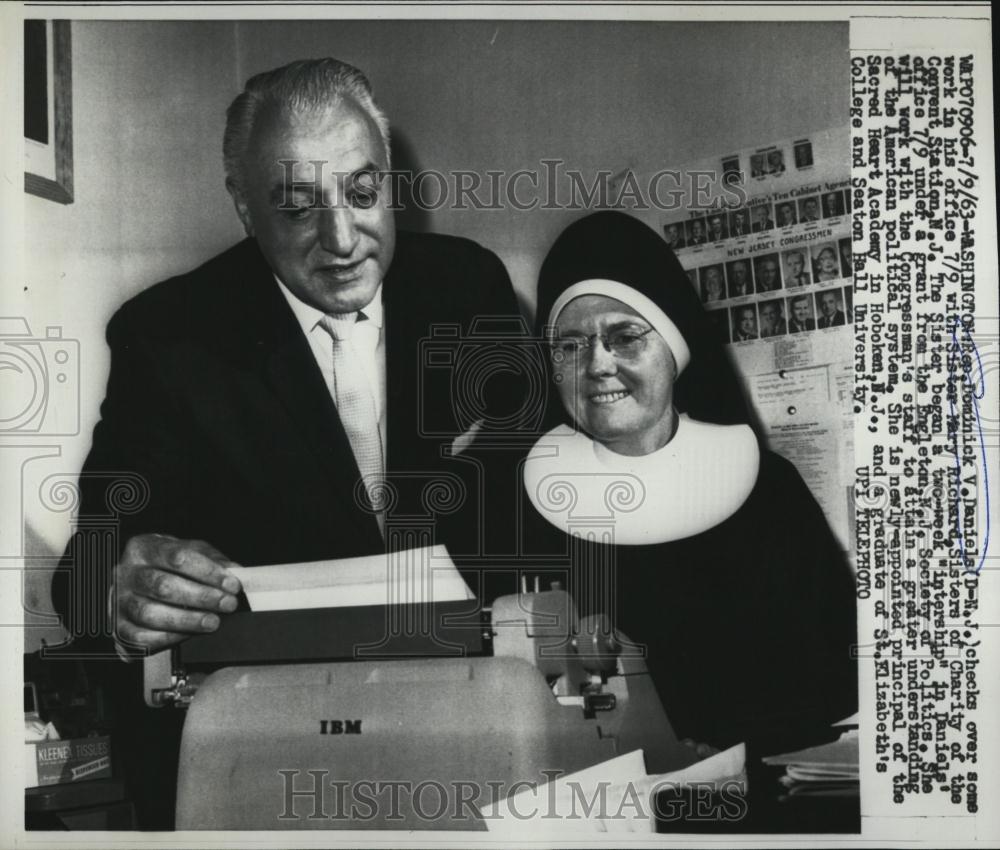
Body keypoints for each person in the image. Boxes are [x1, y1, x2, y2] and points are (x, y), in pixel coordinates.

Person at [51, 57, 524, 828]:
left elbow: (526, 494)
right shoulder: (169, 338)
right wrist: (119, 585)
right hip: (269, 761)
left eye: (364, 193)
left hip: (460, 736)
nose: (343, 239)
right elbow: (87, 564)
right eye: (299, 208)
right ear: (244, 205)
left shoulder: (468, 288)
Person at [523, 211, 857, 753]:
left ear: (676, 348)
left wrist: (727, 751)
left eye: (625, 336)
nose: (597, 364)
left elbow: (836, 677)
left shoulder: (769, 493)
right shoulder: (523, 509)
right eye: (569, 345)